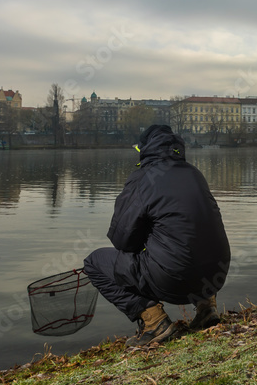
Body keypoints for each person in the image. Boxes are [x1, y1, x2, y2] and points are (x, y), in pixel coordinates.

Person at [83, 124, 230, 346]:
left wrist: (145, 239)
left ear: (144, 150)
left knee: (94, 262)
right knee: (193, 243)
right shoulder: (194, 173)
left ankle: (155, 322)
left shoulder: (142, 178)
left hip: (174, 279)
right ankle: (206, 309)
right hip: (216, 274)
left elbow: (123, 240)